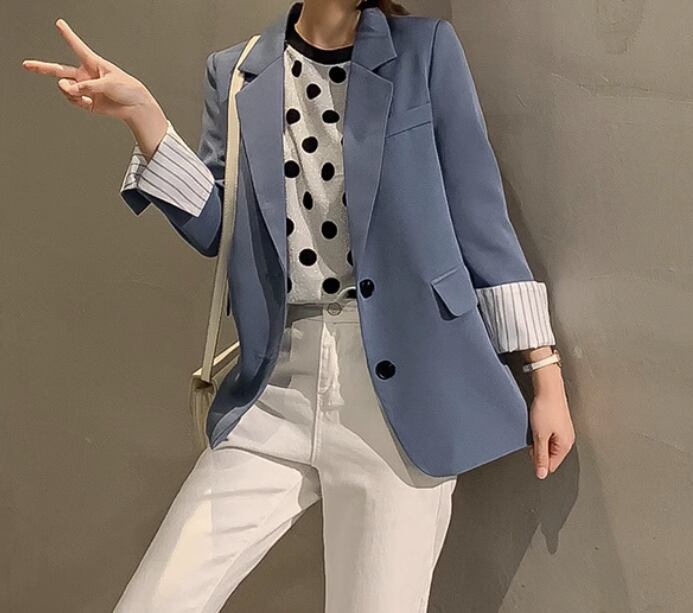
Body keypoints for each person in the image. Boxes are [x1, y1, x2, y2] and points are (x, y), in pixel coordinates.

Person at [22, 1, 576, 611]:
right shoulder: (236, 71)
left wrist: (542, 371)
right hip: (276, 384)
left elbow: (479, 216)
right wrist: (144, 116)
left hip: (401, 395)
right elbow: (220, 229)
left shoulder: (424, 52)